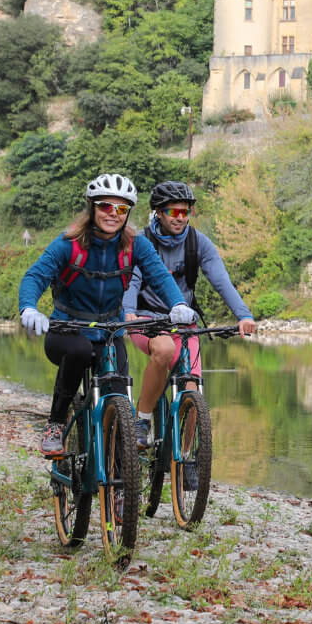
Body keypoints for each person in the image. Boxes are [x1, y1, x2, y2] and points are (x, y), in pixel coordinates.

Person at [18, 174, 197, 457]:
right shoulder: (69, 244)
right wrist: (28, 307)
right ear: (92, 207)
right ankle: (55, 424)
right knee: (78, 352)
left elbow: (160, 275)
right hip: (67, 331)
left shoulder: (135, 245)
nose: (113, 214)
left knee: (119, 396)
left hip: (109, 332)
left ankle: (117, 475)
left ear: (128, 214)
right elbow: (35, 276)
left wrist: (177, 304)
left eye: (122, 209)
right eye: (105, 206)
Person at [122, 181, 256, 458]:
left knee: (193, 390)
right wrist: (128, 311)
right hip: (146, 320)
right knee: (162, 351)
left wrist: (243, 315)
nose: (180, 218)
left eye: (186, 212)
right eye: (174, 212)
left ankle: (185, 458)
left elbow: (222, 281)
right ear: (158, 212)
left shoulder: (198, 243)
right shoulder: (143, 242)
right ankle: (142, 420)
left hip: (184, 324)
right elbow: (132, 281)